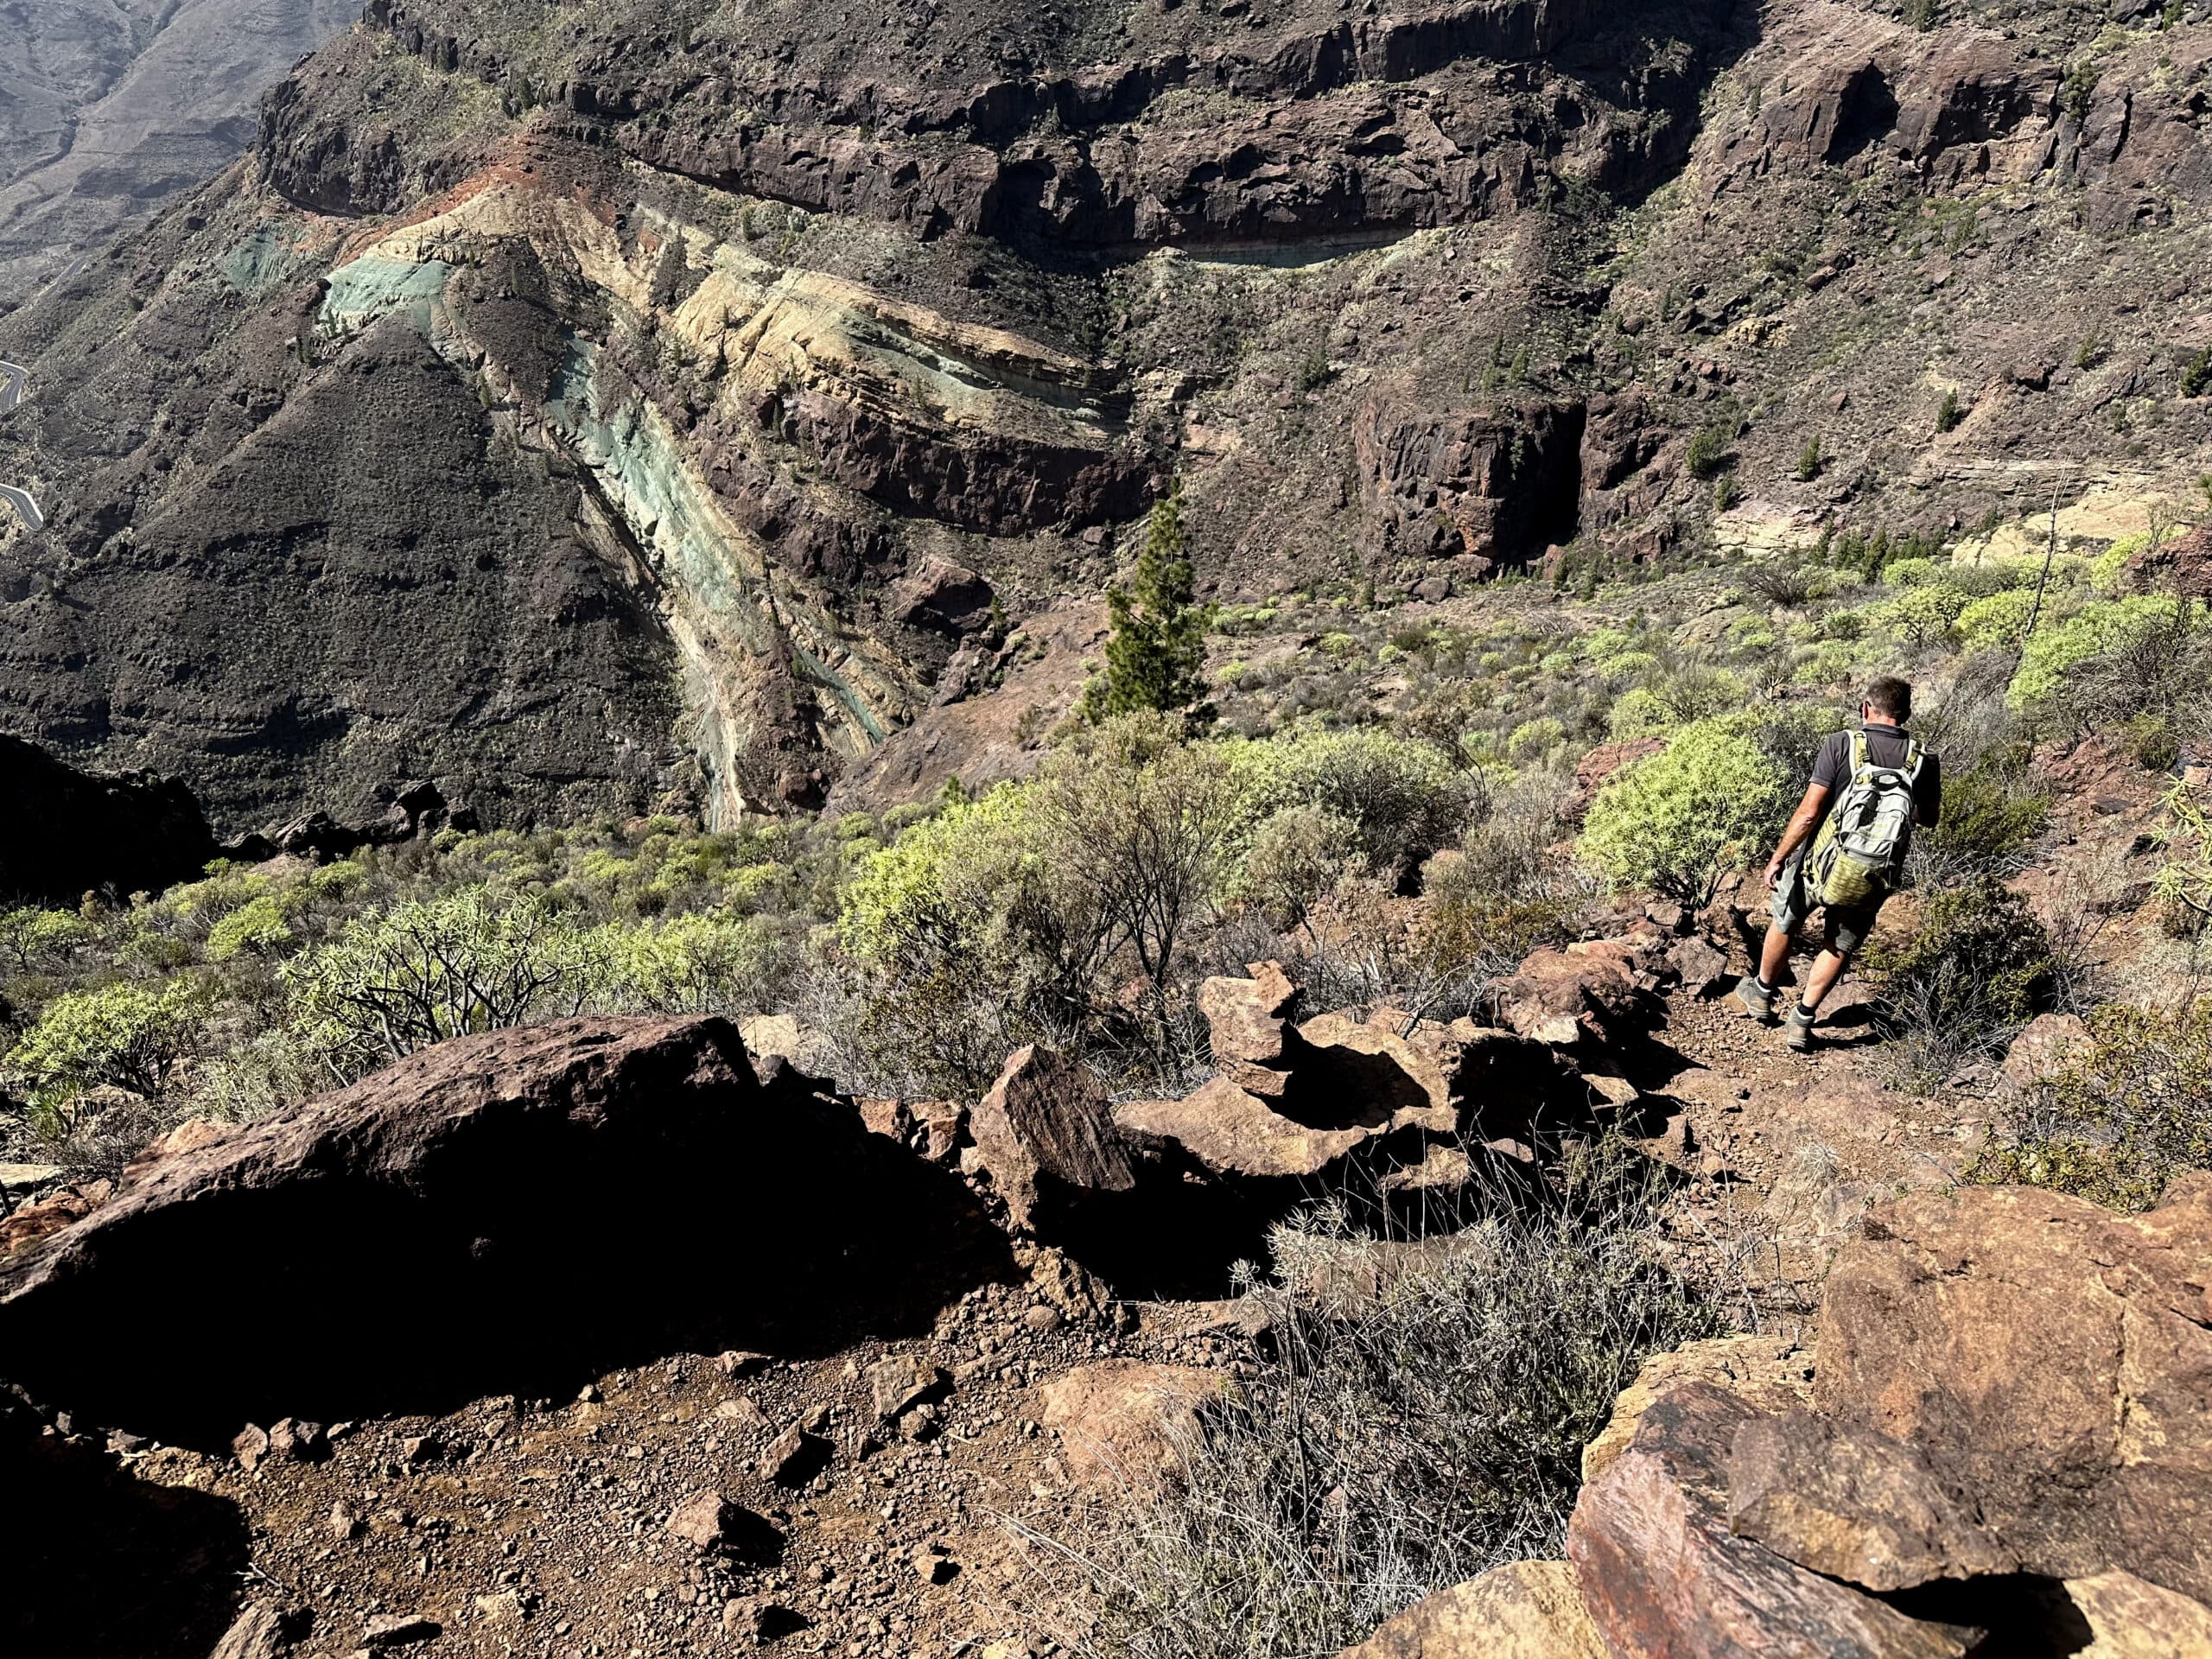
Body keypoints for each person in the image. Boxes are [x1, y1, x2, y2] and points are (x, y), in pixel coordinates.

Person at [1737, 677, 1942, 1051]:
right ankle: (1801, 1020)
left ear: (1866, 708)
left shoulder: (1842, 743)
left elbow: (1809, 813)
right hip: (1871, 873)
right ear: (1907, 713)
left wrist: (1778, 858)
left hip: (1818, 862)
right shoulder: (1924, 759)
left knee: (1787, 919)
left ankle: (1762, 995)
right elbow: (1928, 818)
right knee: (1840, 944)